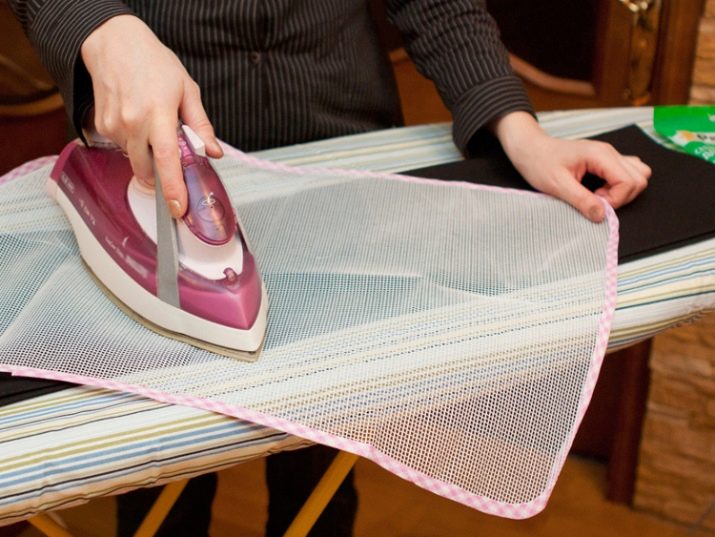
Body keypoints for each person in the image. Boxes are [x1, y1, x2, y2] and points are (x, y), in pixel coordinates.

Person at [9, 1, 651, 536]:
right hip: (153, 145)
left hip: (339, 171)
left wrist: (516, 128)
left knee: (319, 475)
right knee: (161, 471)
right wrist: (100, 27)